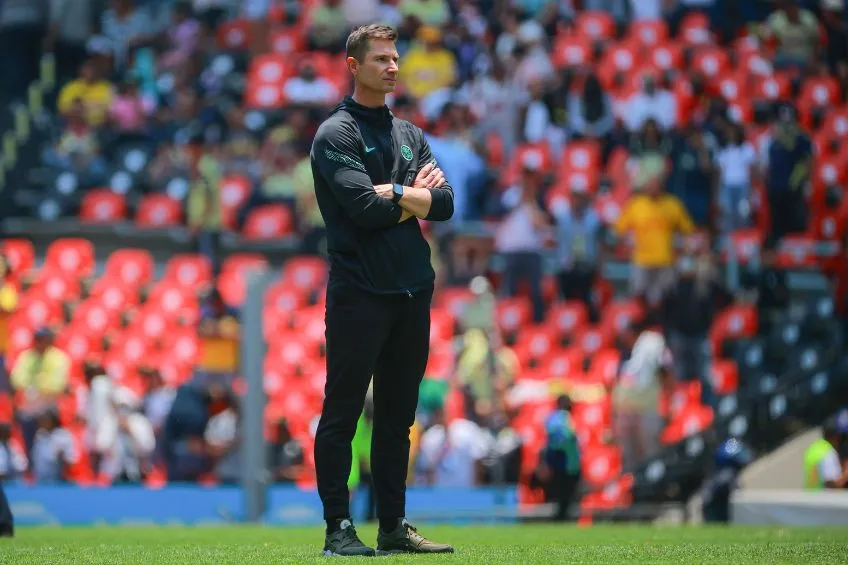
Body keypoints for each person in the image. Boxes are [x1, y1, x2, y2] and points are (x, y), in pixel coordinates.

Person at [309, 24, 454, 556]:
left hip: (412, 291)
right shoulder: (336, 134)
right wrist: (414, 196)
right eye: (381, 60)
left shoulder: (409, 134)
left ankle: (392, 526)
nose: (392, 67)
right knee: (343, 413)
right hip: (359, 292)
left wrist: (395, 189)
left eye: (395, 59)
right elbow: (363, 213)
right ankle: (337, 529)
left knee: (398, 419)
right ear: (353, 65)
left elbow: (445, 203)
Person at [537, 395, 581, 521]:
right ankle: (562, 517)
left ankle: (560, 517)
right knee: (566, 494)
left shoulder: (552, 417)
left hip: (557, 461)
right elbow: (566, 437)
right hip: (567, 462)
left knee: (560, 494)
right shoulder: (566, 418)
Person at [803, 416, 848, 490]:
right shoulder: (829, 453)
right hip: (824, 499)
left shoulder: (813, 448)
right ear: (835, 437)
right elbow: (831, 484)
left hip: (810, 498)